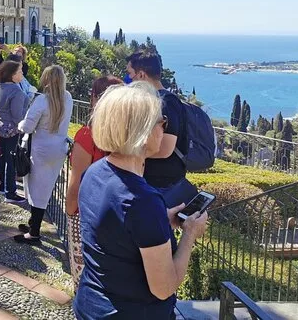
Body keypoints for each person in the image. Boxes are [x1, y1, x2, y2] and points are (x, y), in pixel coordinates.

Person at [73, 82, 208, 320]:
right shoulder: (142, 200)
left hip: (90, 305)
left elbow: (115, 233)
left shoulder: (94, 173)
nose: (164, 128)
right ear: (143, 132)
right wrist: (190, 235)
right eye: (161, 121)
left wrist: (161, 221)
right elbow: (164, 288)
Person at [65, 75, 122, 288]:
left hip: (86, 216)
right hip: (116, 216)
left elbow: (76, 184)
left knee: (85, 278)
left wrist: (70, 212)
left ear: (95, 99)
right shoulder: (127, 138)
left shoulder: (88, 136)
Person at [16, 65, 73, 244]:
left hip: (40, 150)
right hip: (59, 149)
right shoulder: (68, 98)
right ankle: (33, 223)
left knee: (36, 190)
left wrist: (19, 125)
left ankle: (34, 232)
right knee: (45, 188)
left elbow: (27, 127)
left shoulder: (42, 100)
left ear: (46, 79)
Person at [126, 50, 189, 191]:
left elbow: (165, 148)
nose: (128, 79)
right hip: (153, 181)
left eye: (129, 74)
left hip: (163, 184)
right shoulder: (153, 100)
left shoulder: (166, 103)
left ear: (141, 75)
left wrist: (126, 154)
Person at [0, 60, 27, 203]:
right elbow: (17, 116)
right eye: (19, 71)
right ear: (12, 75)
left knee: (2, 157)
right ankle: (10, 192)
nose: (22, 74)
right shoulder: (16, 91)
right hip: (11, 129)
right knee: (11, 160)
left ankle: (2, 187)